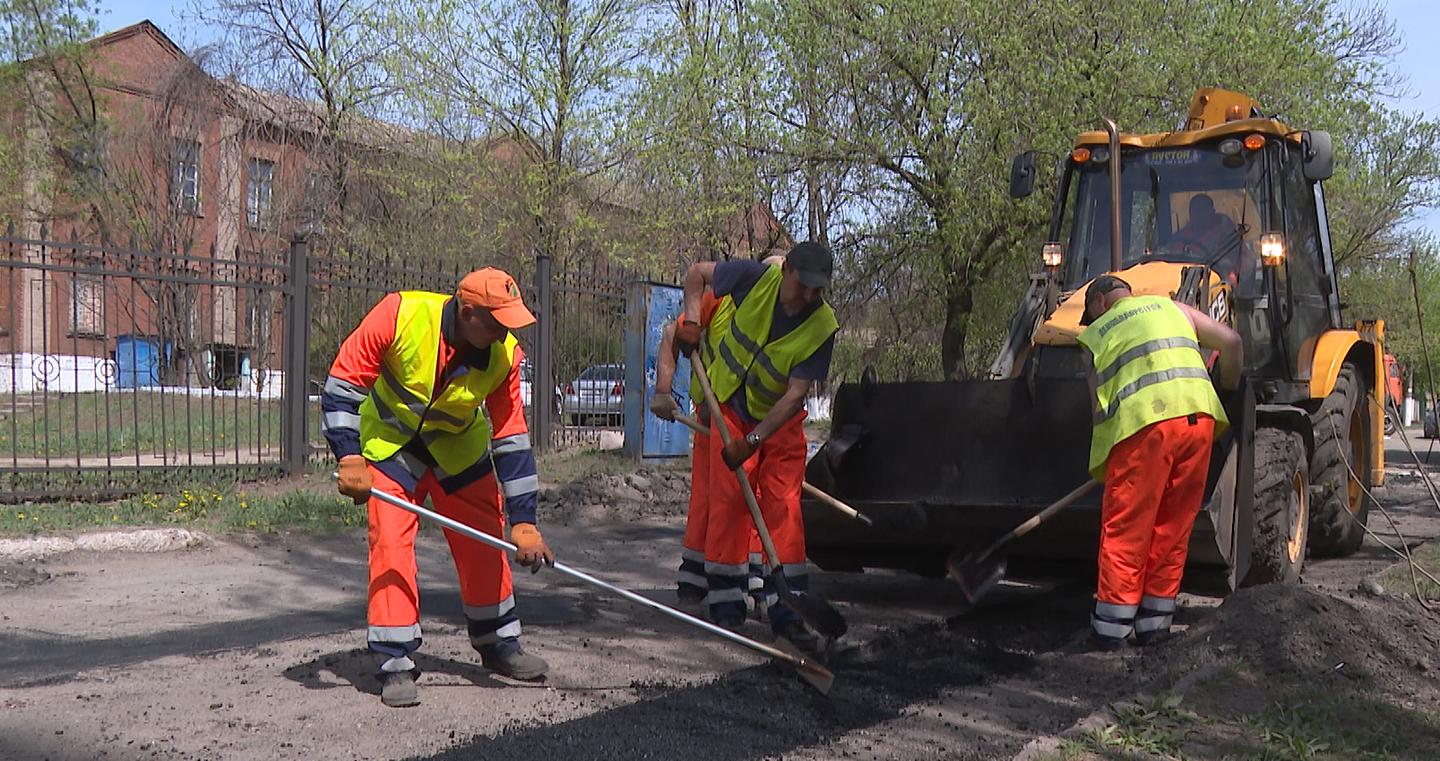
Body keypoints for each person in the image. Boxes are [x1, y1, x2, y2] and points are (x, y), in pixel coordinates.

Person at [322, 268, 555, 708]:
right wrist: (348, 455)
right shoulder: (400, 314)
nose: (507, 333)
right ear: (468, 313)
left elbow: (511, 436)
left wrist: (524, 521)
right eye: (498, 322)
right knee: (391, 543)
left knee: (486, 540)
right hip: (392, 446)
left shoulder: (506, 354)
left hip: (457, 451)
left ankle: (499, 644)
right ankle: (394, 662)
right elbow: (343, 384)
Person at [674, 242, 839, 652]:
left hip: (778, 421)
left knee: (784, 506)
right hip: (728, 402)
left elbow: (793, 395)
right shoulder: (756, 277)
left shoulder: (822, 327)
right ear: (787, 273)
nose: (809, 297)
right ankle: (727, 602)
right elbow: (696, 273)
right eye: (804, 286)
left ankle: (789, 610)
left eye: (818, 290)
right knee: (729, 499)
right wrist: (692, 322)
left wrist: (753, 441)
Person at [1076, 274, 1242, 649]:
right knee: (1173, 525)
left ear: (1100, 302)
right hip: (1199, 421)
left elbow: (1097, 409)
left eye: (1089, 313)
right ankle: (1155, 625)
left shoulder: (1097, 334)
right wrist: (1228, 394)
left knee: (1127, 527)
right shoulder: (1175, 309)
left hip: (1144, 429)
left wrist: (1104, 460)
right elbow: (1233, 343)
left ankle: (1110, 630)